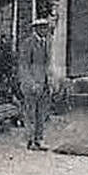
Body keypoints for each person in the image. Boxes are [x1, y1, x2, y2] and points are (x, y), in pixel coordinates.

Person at [17, 16, 53, 150]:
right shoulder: (28, 43)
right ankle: (30, 140)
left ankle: (39, 138)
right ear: (36, 29)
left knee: (41, 113)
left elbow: (47, 64)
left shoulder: (47, 42)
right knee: (30, 112)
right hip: (31, 83)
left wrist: (49, 79)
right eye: (42, 28)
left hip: (44, 82)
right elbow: (24, 65)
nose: (45, 30)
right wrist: (30, 82)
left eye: (46, 27)